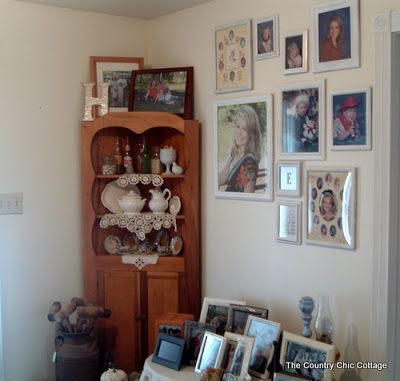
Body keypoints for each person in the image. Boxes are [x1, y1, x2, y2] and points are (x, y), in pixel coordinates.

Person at [218, 105, 262, 193]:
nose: (239, 133)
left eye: (244, 129)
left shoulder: (250, 161)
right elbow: (224, 175)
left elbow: (248, 196)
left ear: (252, 133)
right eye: (237, 126)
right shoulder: (235, 150)